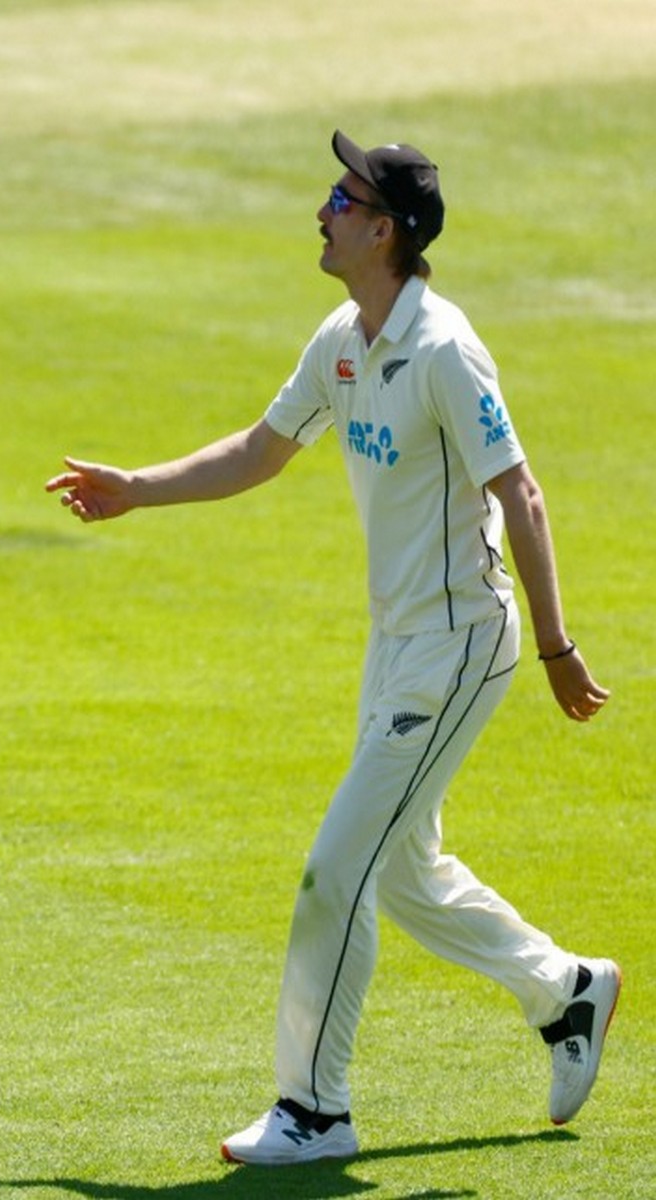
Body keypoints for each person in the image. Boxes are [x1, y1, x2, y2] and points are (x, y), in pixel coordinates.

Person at [46, 130, 617, 1166]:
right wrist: (137, 488)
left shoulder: (442, 350)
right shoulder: (343, 338)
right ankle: (564, 990)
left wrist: (556, 647)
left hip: (455, 645)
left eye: (342, 201)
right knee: (400, 872)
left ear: (387, 230)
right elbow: (261, 451)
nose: (323, 211)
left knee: (333, 872)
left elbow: (518, 492)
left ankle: (312, 1109)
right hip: (395, 641)